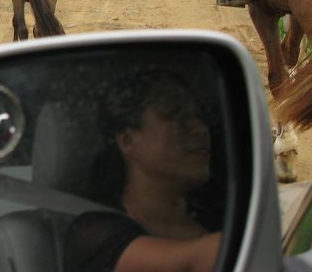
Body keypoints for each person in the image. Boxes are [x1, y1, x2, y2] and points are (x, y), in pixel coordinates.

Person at [64, 69, 221, 272]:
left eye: (198, 116)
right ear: (128, 141)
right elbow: (199, 259)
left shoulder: (222, 213)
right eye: (176, 114)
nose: (201, 128)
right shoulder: (95, 235)